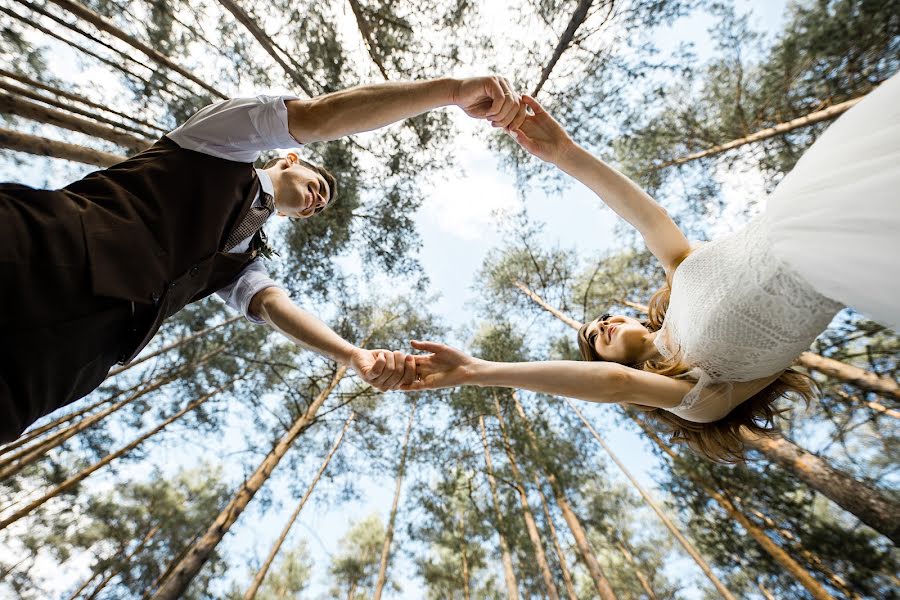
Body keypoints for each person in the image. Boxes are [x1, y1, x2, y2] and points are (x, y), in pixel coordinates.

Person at [0, 75, 530, 443]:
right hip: (35, 249)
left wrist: (352, 356)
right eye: (318, 182)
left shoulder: (242, 259)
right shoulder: (216, 143)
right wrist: (452, 92)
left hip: (59, 365)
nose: (320, 197)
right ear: (290, 159)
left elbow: (274, 306)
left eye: (320, 204)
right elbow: (320, 116)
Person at [404, 73, 900, 462]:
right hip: (843, 257)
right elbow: (617, 388)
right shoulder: (697, 398)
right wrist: (478, 370)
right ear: (611, 365)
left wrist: (565, 153)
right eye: (595, 339)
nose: (601, 324)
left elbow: (647, 217)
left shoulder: (681, 271)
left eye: (600, 320)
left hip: (812, 190)